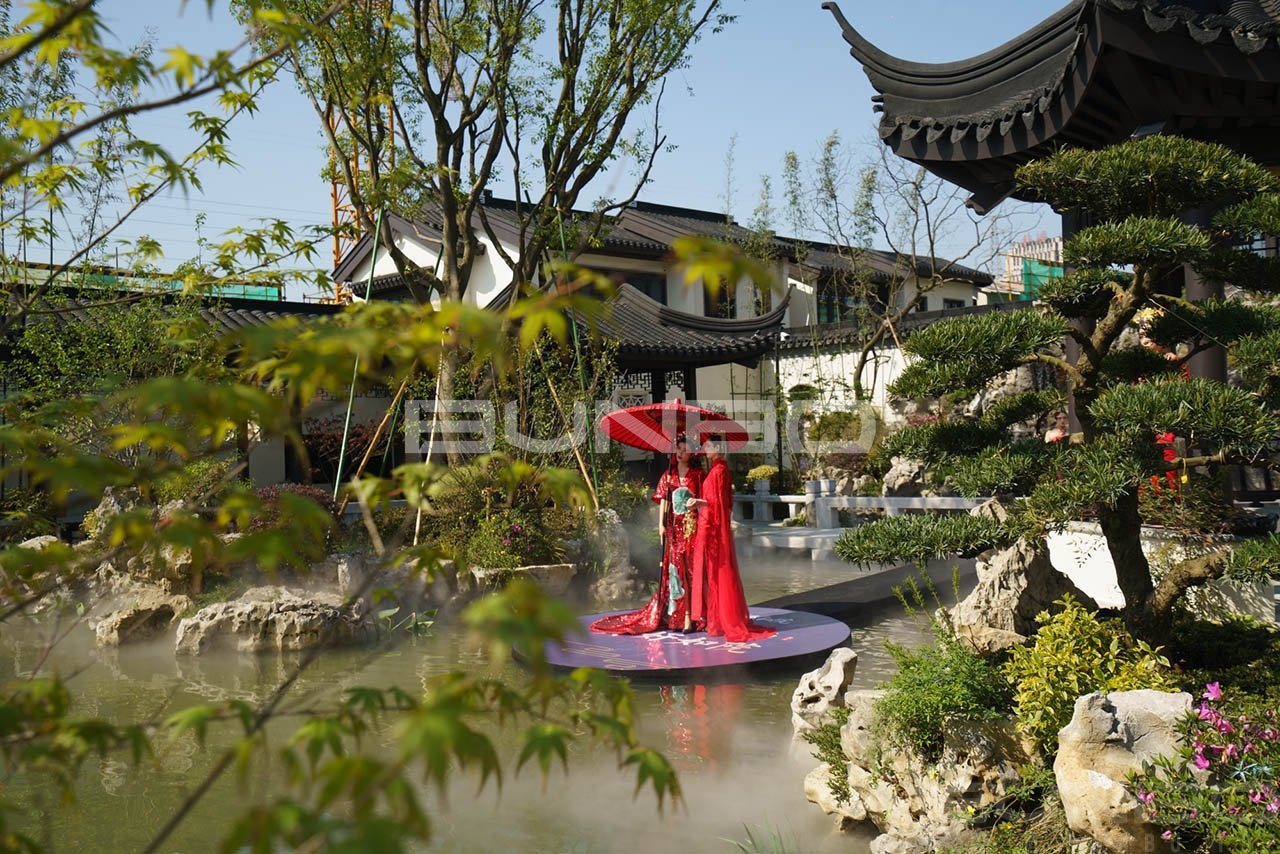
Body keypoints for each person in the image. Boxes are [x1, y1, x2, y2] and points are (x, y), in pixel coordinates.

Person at [591, 435, 703, 635]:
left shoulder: (697, 474)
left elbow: (704, 499)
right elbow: (664, 501)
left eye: (684, 450)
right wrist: (660, 525)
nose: (680, 453)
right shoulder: (668, 475)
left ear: (691, 453)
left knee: (692, 569)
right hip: (673, 527)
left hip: (691, 526)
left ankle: (695, 615)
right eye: (678, 449)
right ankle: (678, 616)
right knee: (676, 570)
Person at [686, 435, 776, 642]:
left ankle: (726, 620)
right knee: (714, 574)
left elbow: (718, 504)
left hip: (714, 528)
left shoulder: (720, 470)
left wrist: (698, 501)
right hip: (709, 527)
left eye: (708, 445)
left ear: (717, 448)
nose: (704, 448)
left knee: (721, 573)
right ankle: (716, 620)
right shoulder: (716, 469)